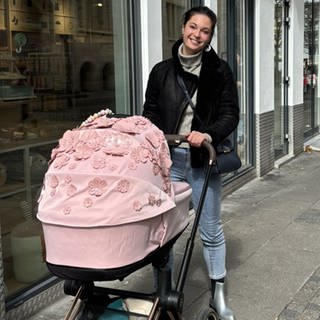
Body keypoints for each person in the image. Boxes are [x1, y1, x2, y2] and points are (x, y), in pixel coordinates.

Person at [142, 6, 239, 320]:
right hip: (168, 159)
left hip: (201, 159)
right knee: (165, 232)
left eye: (205, 31)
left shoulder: (220, 71)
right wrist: (154, 139)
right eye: (193, 27)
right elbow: (151, 114)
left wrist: (207, 134)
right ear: (183, 27)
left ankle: (218, 300)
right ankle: (163, 295)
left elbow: (230, 115)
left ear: (210, 36)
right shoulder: (161, 71)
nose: (197, 34)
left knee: (210, 230)